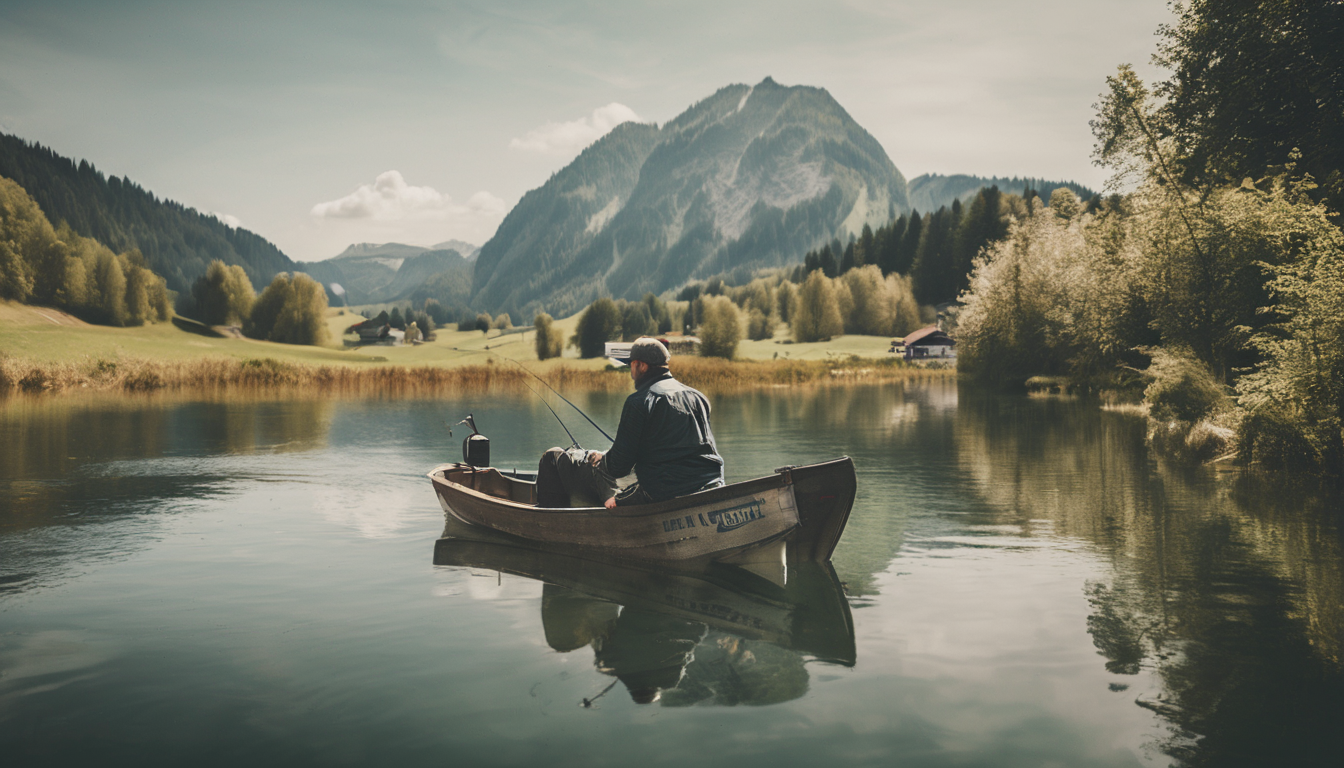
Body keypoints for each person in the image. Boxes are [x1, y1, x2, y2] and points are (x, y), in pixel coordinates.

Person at [536, 337, 724, 509]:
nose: (631, 373)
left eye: (631, 367)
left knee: (552, 458)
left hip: (658, 495)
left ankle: (551, 527)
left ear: (640, 366)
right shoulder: (699, 398)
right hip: (711, 485)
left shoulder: (639, 401)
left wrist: (601, 460)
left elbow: (618, 467)